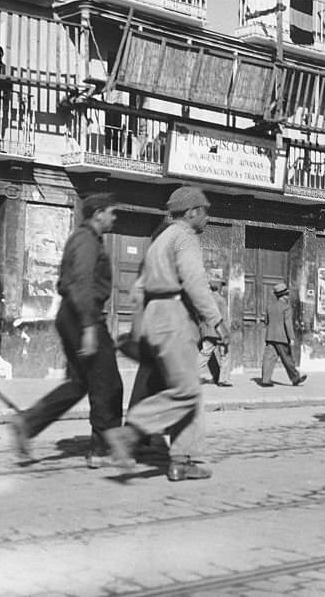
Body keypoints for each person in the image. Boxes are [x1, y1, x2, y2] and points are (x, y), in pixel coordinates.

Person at [103, 186, 229, 481]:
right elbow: (195, 281)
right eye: (205, 211)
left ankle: (183, 459)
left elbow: (138, 289)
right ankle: (131, 432)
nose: (207, 218)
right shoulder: (185, 237)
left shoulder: (160, 240)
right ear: (191, 212)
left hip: (155, 316)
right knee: (186, 391)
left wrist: (141, 328)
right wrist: (216, 320)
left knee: (190, 390)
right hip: (175, 317)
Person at [10, 193, 124, 468]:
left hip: (73, 315)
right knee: (108, 384)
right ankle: (101, 451)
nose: (114, 217)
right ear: (98, 213)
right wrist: (88, 326)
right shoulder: (86, 241)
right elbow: (81, 284)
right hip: (81, 316)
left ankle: (28, 423)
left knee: (80, 383)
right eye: (111, 212)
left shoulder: (86, 239)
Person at [259, 282, 306, 387]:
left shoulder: (269, 306)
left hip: (270, 336)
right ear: (284, 295)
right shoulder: (286, 307)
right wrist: (292, 338)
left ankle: (265, 380)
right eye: (287, 294)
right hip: (282, 337)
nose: (287, 296)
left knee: (268, 358)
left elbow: (265, 321)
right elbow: (288, 323)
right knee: (287, 359)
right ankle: (295, 378)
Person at [198, 277, 232, 387]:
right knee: (225, 355)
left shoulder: (204, 299)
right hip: (219, 331)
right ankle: (223, 380)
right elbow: (224, 318)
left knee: (204, 354)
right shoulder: (221, 300)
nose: (222, 287)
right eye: (222, 285)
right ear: (219, 287)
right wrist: (226, 334)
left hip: (207, 330)